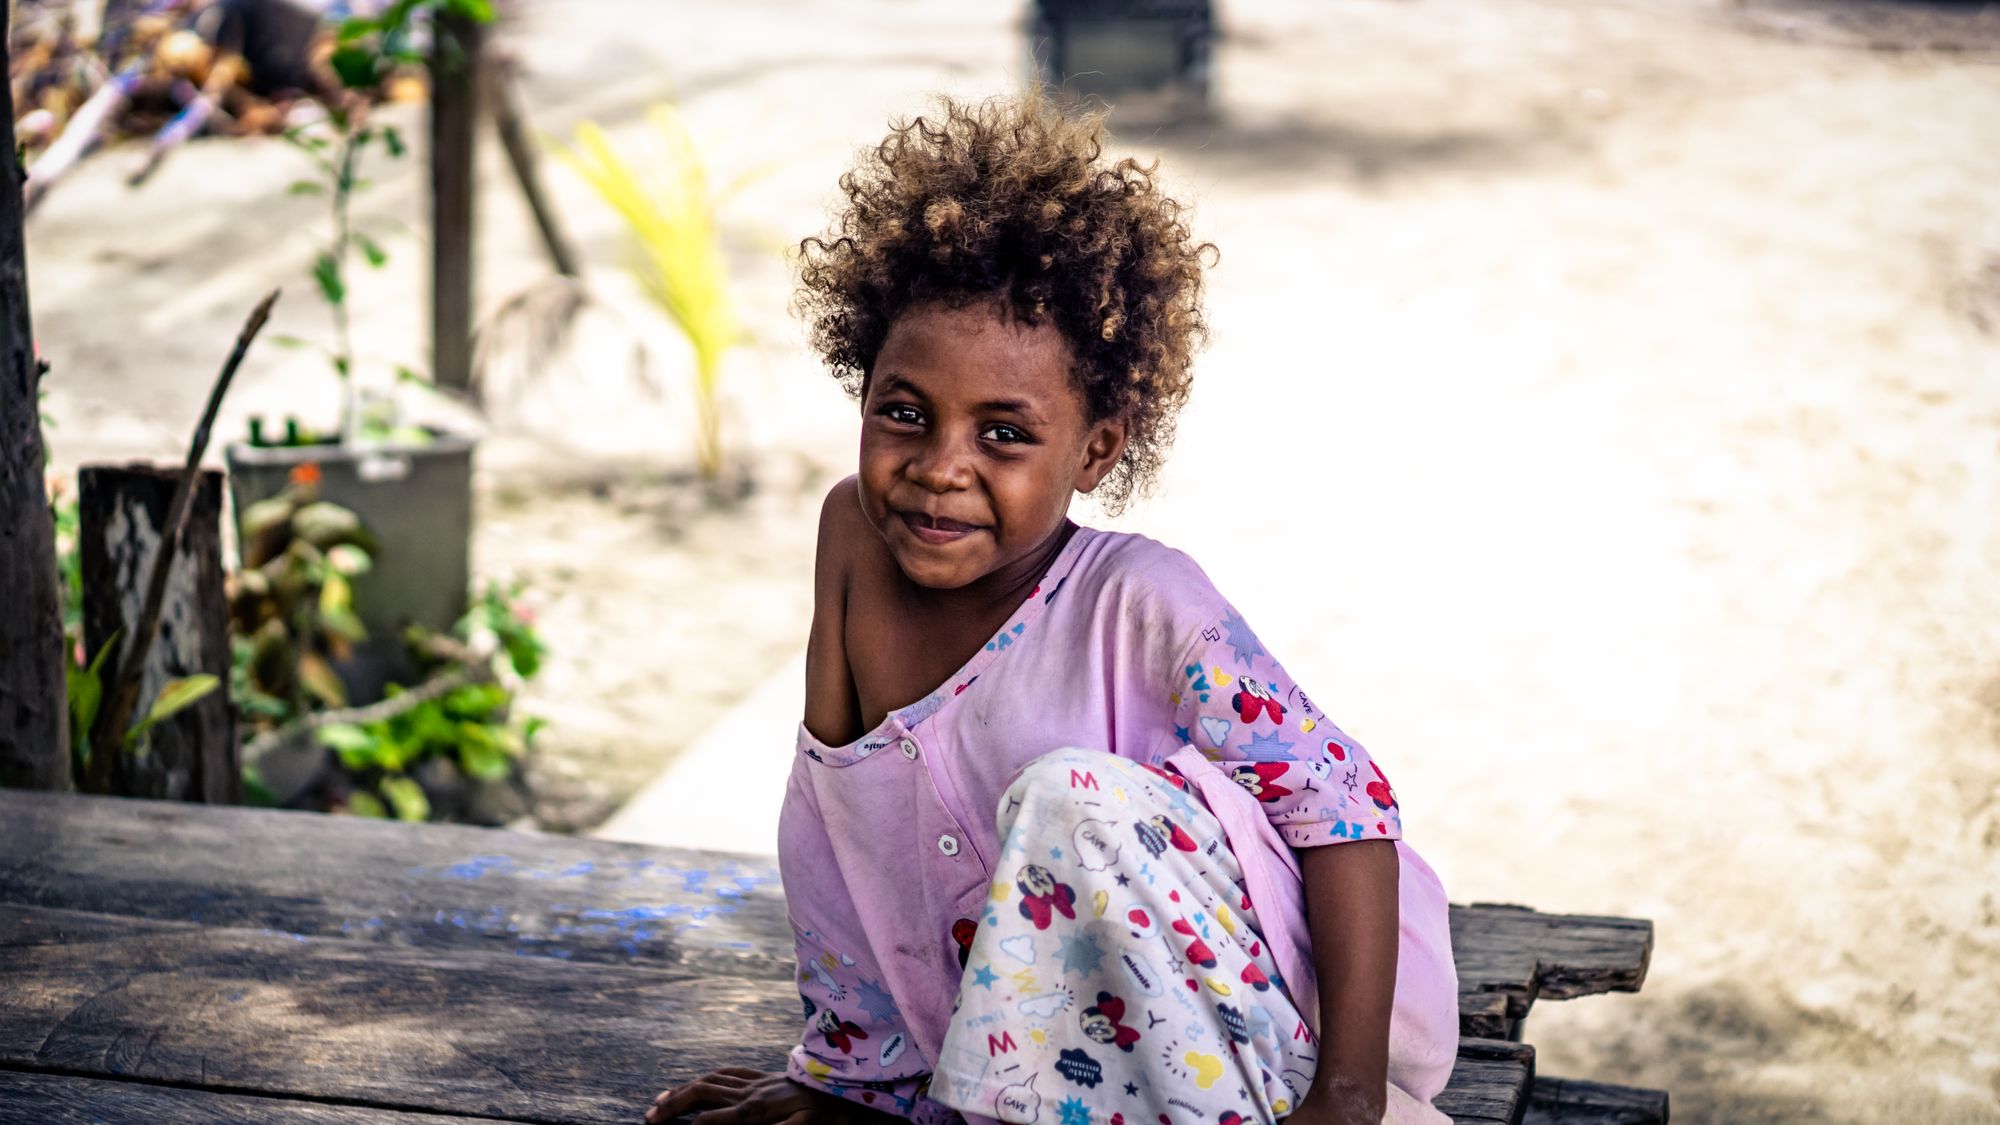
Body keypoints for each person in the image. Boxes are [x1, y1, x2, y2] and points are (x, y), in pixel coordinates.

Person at [648, 94, 1459, 1125]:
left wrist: (1343, 1098)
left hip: (1263, 1042)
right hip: (1064, 1076)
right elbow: (836, 831)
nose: (939, 469)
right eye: (903, 413)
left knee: (1070, 799)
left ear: (1096, 449)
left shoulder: (1144, 603)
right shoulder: (852, 535)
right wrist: (843, 1086)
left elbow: (1344, 810)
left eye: (1002, 434)